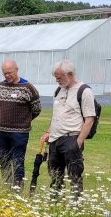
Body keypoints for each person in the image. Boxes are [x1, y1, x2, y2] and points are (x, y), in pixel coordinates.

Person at [40, 59, 96, 199]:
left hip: (71, 138)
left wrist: (77, 143)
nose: (56, 80)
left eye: (59, 78)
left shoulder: (85, 91)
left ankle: (76, 205)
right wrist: (48, 132)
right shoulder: (59, 90)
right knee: (54, 175)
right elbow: (56, 115)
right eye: (55, 77)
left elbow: (89, 119)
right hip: (55, 140)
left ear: (70, 74)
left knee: (74, 175)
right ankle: (54, 204)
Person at [0, 59, 41, 189]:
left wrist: (23, 121)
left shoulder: (28, 88)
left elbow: (36, 109)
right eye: (4, 73)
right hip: (1, 132)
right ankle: (7, 186)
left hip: (19, 133)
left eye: (9, 72)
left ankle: (17, 190)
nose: (7, 75)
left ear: (16, 69)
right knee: (4, 161)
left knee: (18, 161)